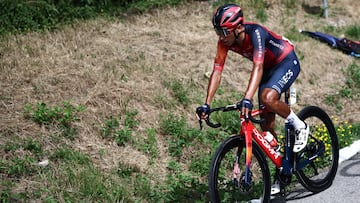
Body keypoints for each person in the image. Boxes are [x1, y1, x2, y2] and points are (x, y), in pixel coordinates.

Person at [196, 4, 309, 153]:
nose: (221, 36)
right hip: (268, 69)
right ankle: (283, 162)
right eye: (217, 31)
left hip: (285, 61)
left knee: (267, 98)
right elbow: (217, 72)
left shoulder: (255, 32)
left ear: (238, 29)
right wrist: (207, 104)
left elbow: (257, 67)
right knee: (266, 125)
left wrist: (248, 98)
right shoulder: (224, 42)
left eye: (224, 31)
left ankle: (300, 126)